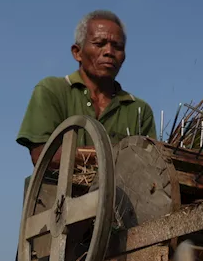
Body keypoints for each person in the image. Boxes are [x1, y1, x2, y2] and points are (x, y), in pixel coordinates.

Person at [16, 10, 156, 166]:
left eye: (117, 46)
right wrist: (118, 154)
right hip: (59, 190)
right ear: (77, 53)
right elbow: (43, 155)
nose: (109, 52)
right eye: (99, 44)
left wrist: (77, 154)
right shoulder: (51, 90)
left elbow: (150, 166)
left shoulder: (139, 110)